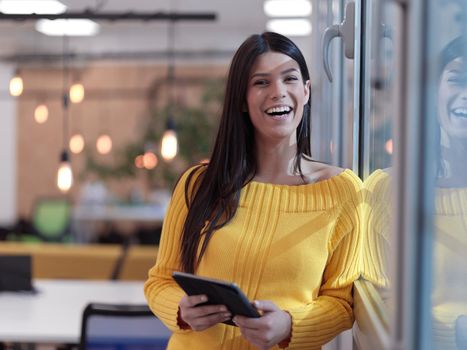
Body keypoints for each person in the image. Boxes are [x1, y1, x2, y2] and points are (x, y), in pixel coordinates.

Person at [144, 32, 363, 349]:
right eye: (261, 83)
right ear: (242, 101)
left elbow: (342, 304)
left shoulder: (342, 191)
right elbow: (160, 281)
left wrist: (289, 324)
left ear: (306, 90)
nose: (278, 92)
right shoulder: (198, 184)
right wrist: (181, 309)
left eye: (289, 79)